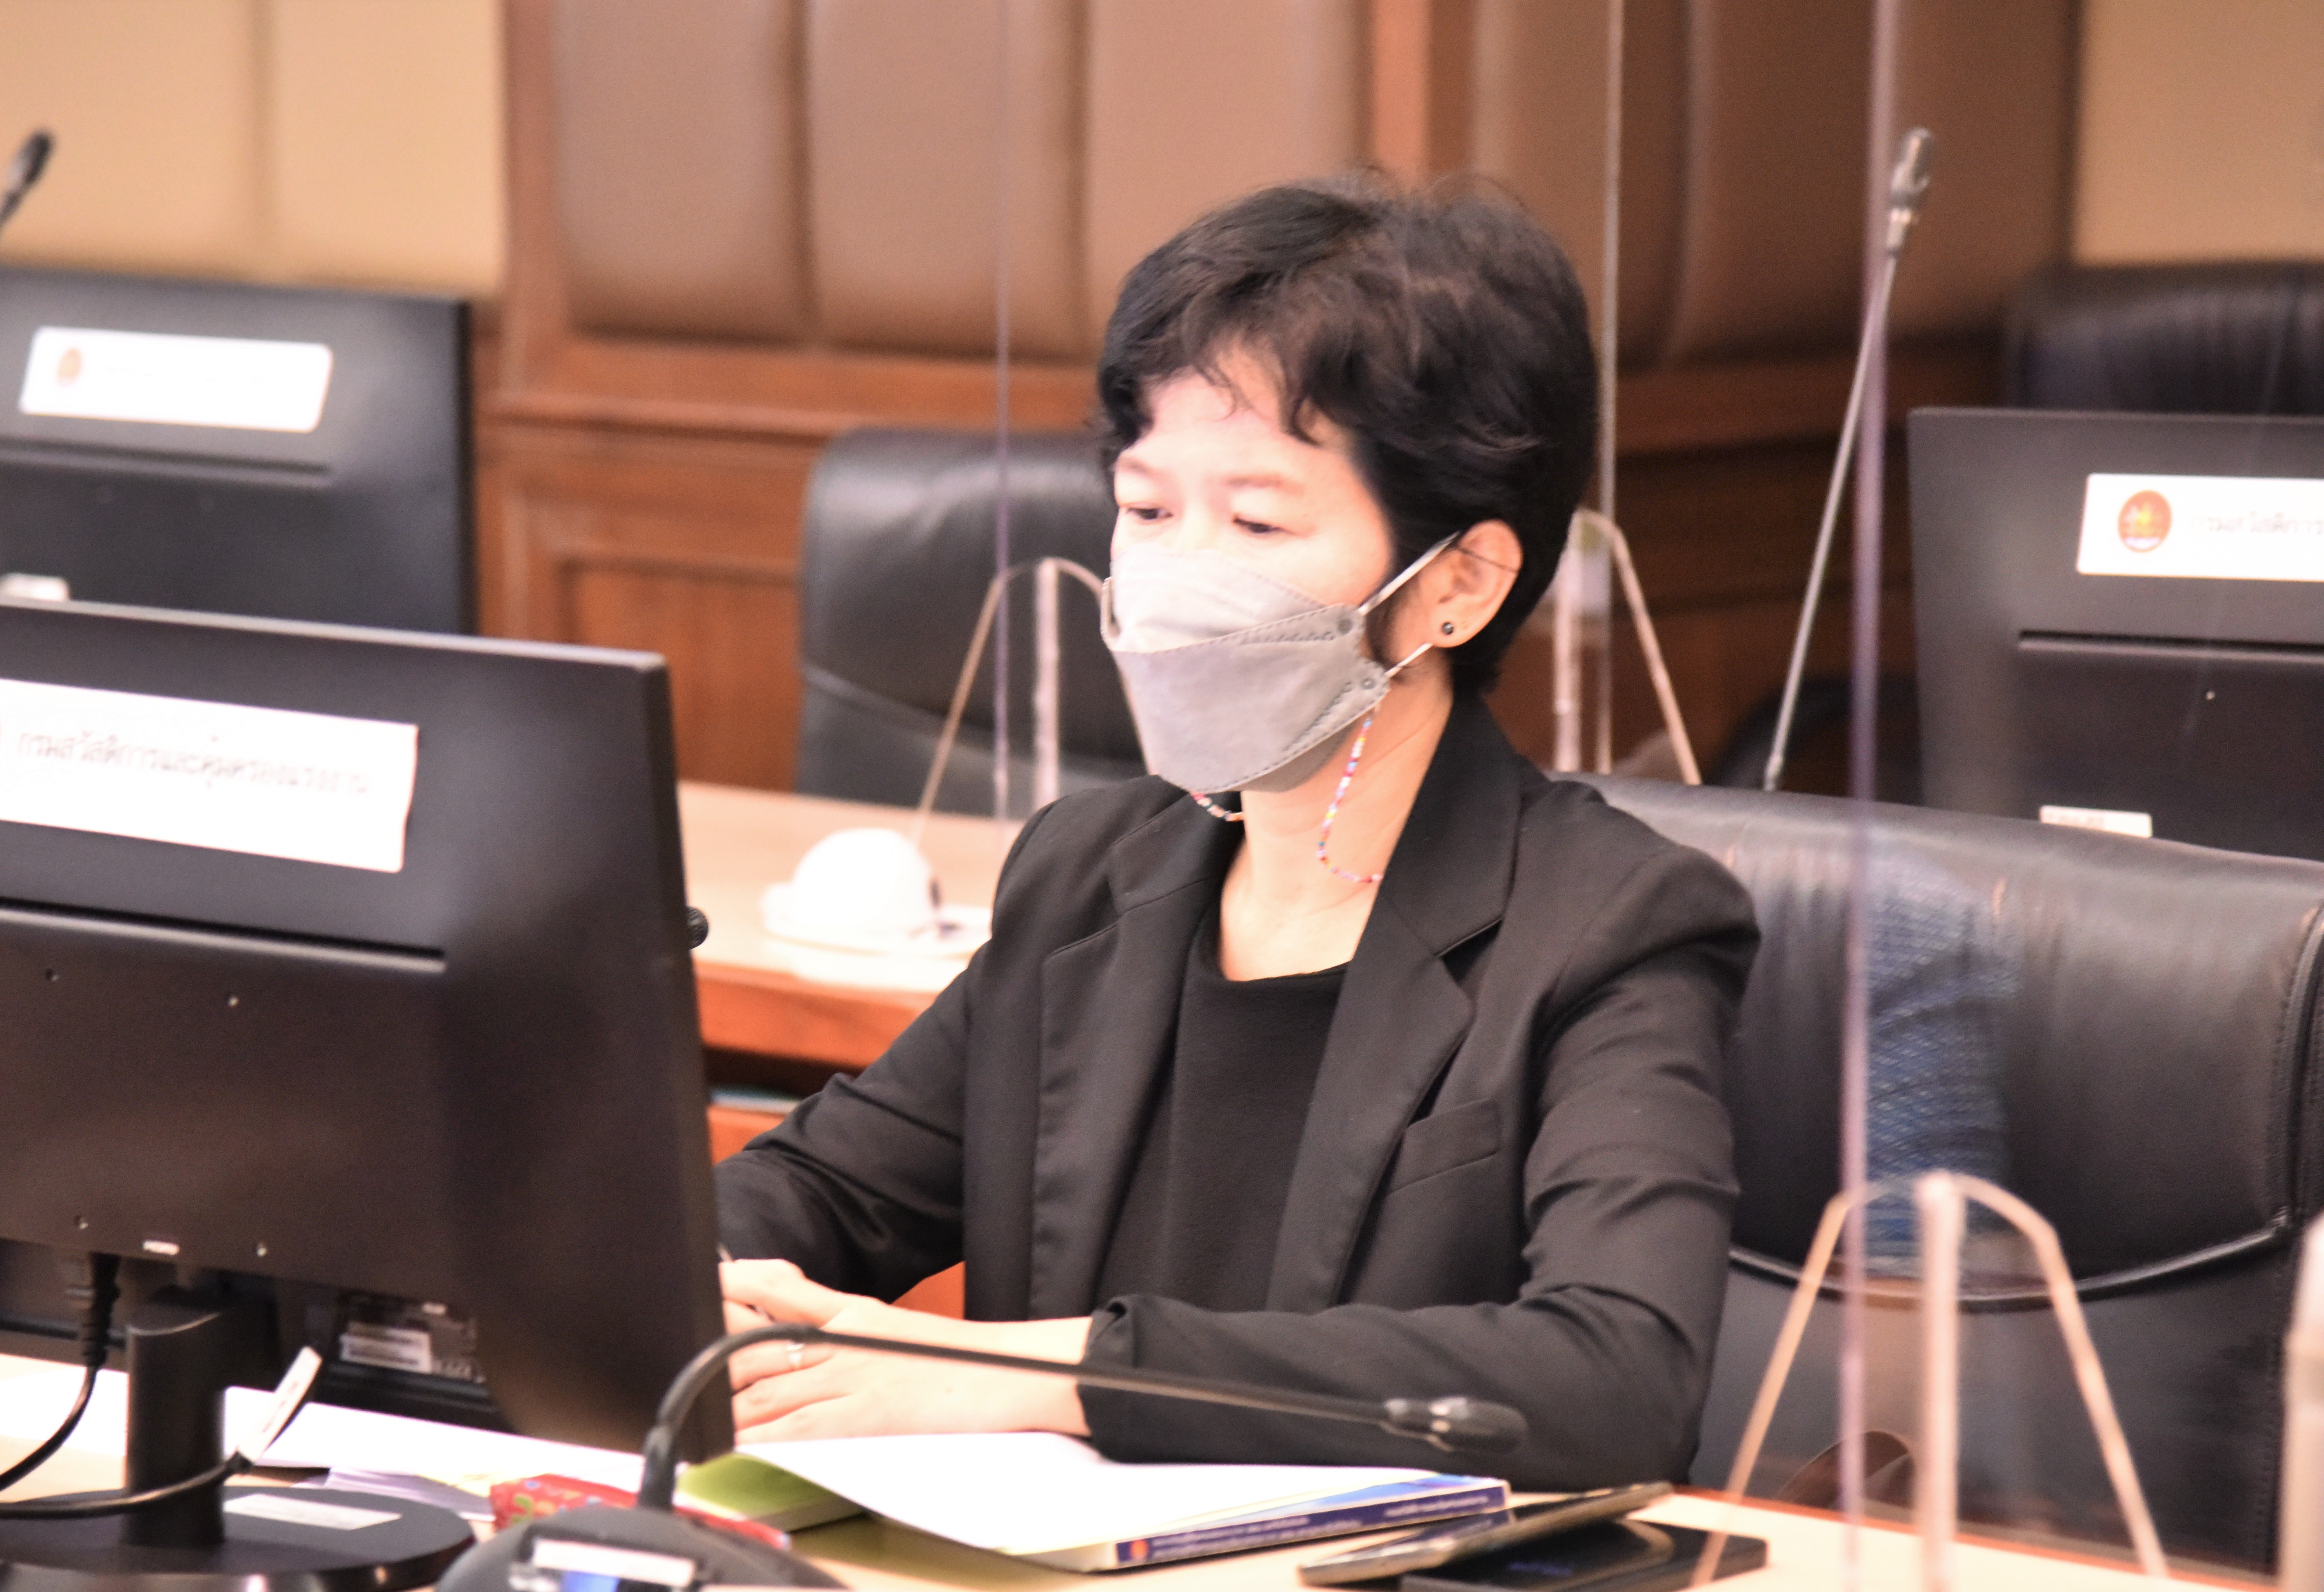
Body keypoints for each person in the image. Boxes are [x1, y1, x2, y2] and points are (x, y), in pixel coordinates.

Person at [711, 175, 1758, 1488]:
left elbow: (1616, 1375)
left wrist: (1056, 1377)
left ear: (1458, 581)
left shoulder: (1610, 925)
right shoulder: (1088, 874)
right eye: (1148, 510)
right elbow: (823, 1189)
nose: (1174, 576)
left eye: (1256, 522)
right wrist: (699, 1275)